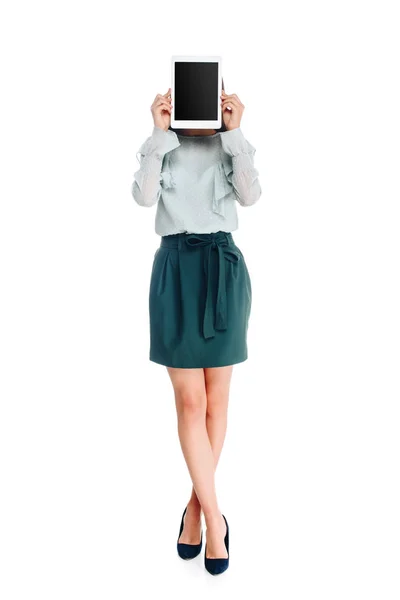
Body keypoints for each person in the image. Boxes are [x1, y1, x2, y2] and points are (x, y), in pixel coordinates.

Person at [131, 80, 262, 575]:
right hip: (175, 269)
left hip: (223, 266)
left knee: (218, 400)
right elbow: (143, 198)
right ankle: (214, 518)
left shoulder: (230, 141)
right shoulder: (163, 143)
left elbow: (250, 196)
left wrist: (236, 131)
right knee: (191, 401)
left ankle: (194, 510)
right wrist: (158, 132)